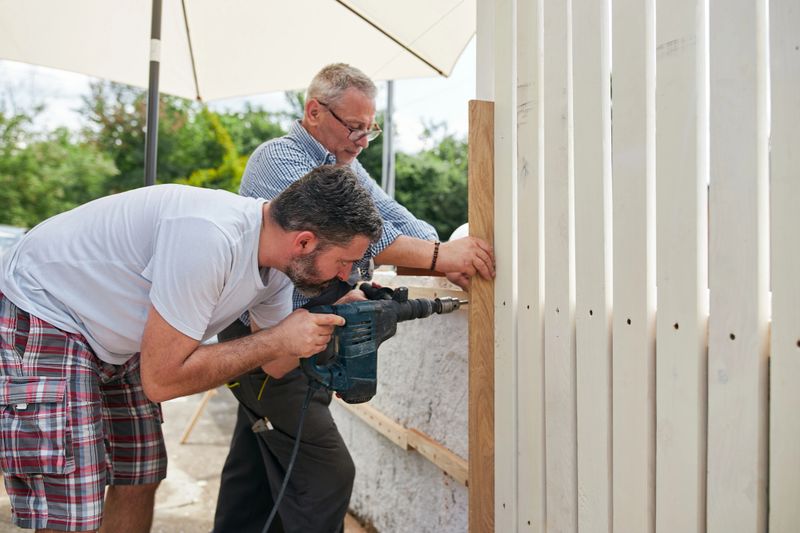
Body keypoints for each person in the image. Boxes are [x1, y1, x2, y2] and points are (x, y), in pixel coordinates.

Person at [0, 165, 383, 533]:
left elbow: (276, 367)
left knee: (139, 475)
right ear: (304, 242)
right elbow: (163, 381)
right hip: (46, 308)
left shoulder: (281, 268)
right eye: (344, 262)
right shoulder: (210, 237)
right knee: (74, 503)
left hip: (115, 334)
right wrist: (277, 338)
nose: (345, 275)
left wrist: (326, 314)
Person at [212, 63, 495, 533]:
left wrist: (433, 250)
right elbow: (351, 238)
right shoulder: (278, 158)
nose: (363, 138)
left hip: (299, 330)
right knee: (325, 474)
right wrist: (441, 255)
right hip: (267, 330)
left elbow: (401, 225)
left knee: (255, 468)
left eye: (371, 129)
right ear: (314, 111)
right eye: (355, 126)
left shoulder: (344, 165)